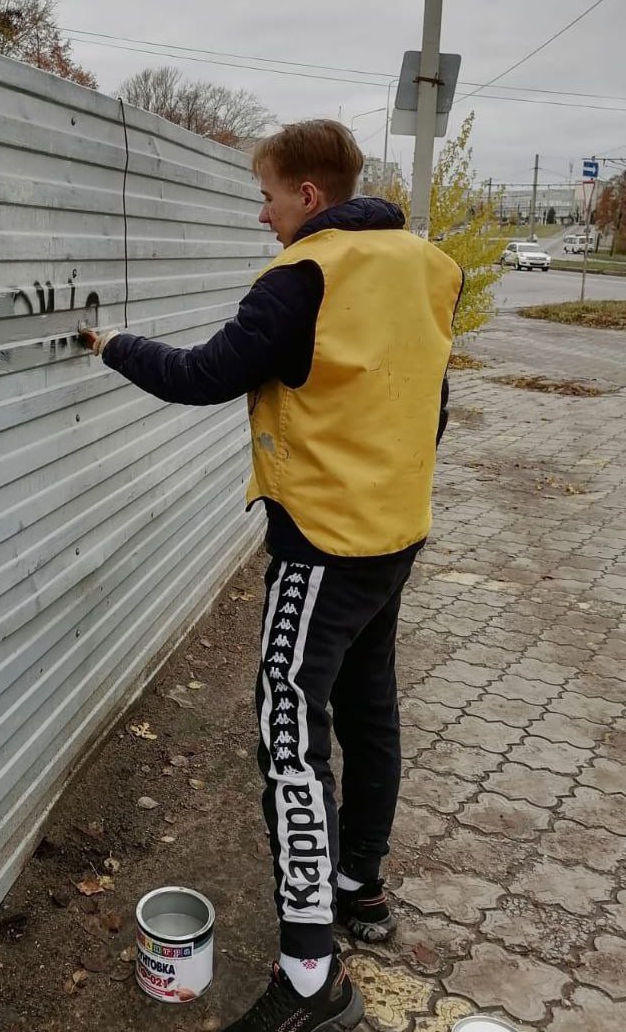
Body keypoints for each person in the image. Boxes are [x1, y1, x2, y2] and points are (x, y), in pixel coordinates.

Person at [80, 119, 462, 1032]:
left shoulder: (305, 276)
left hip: (323, 543)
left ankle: (307, 979)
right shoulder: (427, 264)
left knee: (289, 738)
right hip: (393, 532)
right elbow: (433, 396)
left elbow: (208, 374)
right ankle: (359, 891)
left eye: (266, 196)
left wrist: (112, 346)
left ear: (309, 198)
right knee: (371, 708)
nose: (262, 216)